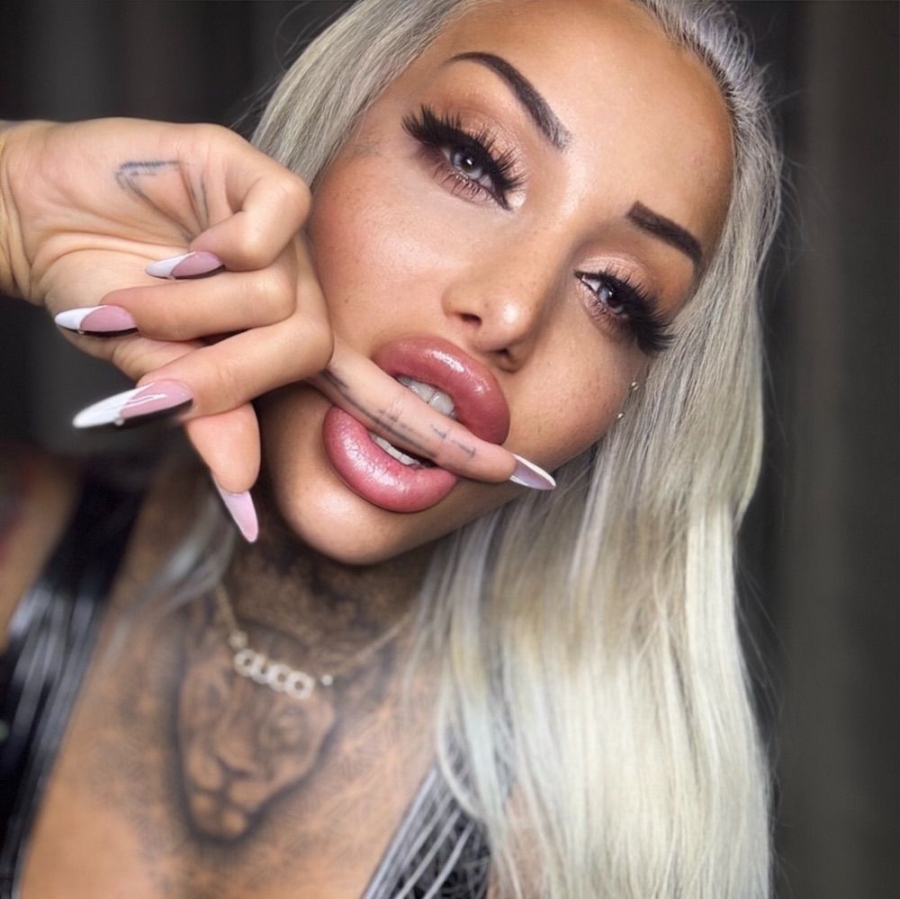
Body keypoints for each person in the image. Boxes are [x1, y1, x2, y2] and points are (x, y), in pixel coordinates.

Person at [0, 0, 781, 896]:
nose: (512, 310)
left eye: (617, 292)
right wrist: (14, 197)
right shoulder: (17, 543)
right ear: (327, 139)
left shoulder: (592, 855)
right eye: (472, 160)